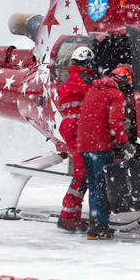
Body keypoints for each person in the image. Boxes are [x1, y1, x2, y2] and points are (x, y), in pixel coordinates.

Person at [76, 64, 136, 240]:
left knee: (94, 184)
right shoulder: (115, 95)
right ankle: (99, 226)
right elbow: (115, 123)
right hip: (101, 146)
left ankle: (94, 225)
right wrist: (125, 144)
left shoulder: (93, 89)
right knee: (102, 186)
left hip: (85, 145)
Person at [55, 46, 96, 233]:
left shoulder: (70, 80)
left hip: (72, 127)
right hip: (78, 129)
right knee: (82, 172)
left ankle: (73, 215)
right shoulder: (84, 81)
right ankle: (66, 216)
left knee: (83, 171)